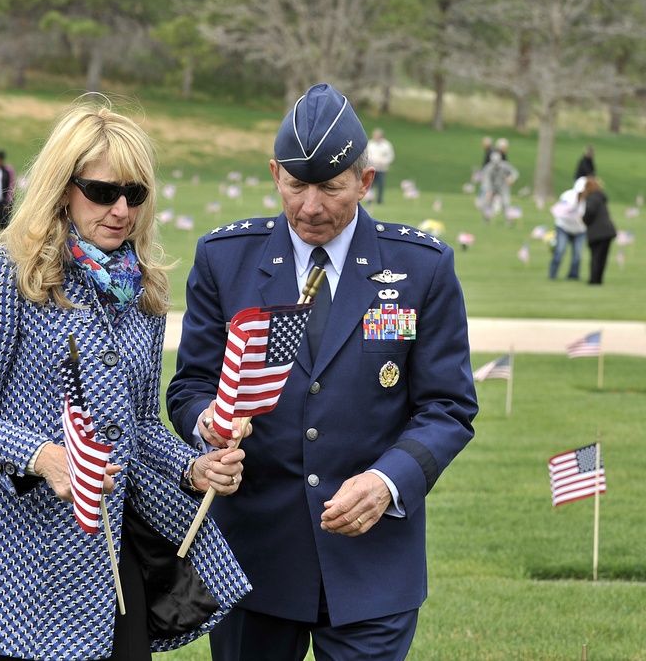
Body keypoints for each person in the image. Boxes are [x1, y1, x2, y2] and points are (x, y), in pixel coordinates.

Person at [166, 83, 478, 661]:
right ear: (274, 173)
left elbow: (448, 407)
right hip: (251, 558)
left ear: (364, 181)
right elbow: (190, 387)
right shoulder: (225, 259)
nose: (310, 207)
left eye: (331, 188)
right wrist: (208, 426)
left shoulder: (420, 268)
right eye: (295, 185)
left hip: (372, 562)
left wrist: (387, 483)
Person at [0, 97, 250, 661]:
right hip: (11, 571)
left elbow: (142, 425)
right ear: (62, 188)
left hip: (110, 563)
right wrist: (42, 456)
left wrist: (192, 466)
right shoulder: (5, 272)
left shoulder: (145, 292)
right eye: (103, 192)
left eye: (135, 194)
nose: (121, 209)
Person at [548, 176, 587, 280]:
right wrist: (572, 209)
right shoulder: (568, 196)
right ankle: (552, 274)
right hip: (563, 227)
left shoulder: (588, 199)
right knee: (560, 251)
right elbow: (558, 212)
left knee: (577, 255)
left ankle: (573, 276)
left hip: (580, 230)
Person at [580, 175, 617, 285]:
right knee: (603, 257)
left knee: (595, 256)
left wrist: (584, 219)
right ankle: (599, 279)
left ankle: (594, 280)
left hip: (597, 233)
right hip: (608, 231)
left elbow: (590, 213)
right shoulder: (601, 197)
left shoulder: (591, 198)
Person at [479, 149, 519, 223]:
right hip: (492, 187)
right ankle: (486, 219)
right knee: (487, 203)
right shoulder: (488, 168)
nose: (496, 165)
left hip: (503, 186)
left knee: (506, 203)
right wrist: (488, 192)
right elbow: (486, 181)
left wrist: (511, 179)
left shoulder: (505, 166)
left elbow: (515, 172)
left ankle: (508, 220)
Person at [366, 128, 394, 204]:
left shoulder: (386, 145)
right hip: (372, 167)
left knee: (381, 185)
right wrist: (371, 161)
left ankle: (379, 200)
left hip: (381, 168)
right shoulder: (370, 144)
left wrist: (383, 162)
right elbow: (367, 154)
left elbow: (390, 156)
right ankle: (369, 199)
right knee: (370, 184)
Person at [0, 149, 16, 229]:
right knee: (0, 222)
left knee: (6, 223)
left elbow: (11, 185)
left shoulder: (8, 171)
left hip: (5, 201)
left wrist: (9, 202)